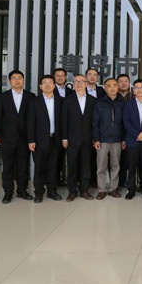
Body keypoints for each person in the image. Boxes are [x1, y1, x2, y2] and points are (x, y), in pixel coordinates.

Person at [0, 70, 35, 203]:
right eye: (14, 78)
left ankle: (22, 190)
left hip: (24, 138)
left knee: (23, 166)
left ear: (23, 80)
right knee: (8, 167)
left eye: (19, 78)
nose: (17, 80)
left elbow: (33, 118)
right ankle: (8, 192)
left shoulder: (31, 96)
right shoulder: (2, 97)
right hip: (6, 137)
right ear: (10, 81)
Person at [27, 74, 63, 203]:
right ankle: (39, 192)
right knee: (39, 167)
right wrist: (31, 140)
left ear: (54, 86)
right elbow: (30, 122)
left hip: (55, 139)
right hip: (39, 140)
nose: (48, 85)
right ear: (40, 86)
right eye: (45, 83)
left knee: (53, 167)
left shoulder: (61, 101)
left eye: (50, 83)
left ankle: (52, 191)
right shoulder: (34, 102)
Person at [61, 74, 96, 202]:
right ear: (73, 84)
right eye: (76, 82)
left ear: (86, 84)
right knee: (72, 166)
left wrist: (95, 138)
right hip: (72, 139)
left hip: (88, 139)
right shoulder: (67, 100)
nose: (79, 84)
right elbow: (64, 120)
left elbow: (95, 121)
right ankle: (72, 191)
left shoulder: (93, 100)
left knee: (86, 166)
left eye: (82, 81)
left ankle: (84, 190)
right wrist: (64, 138)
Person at [92, 78, 125, 200]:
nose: (112, 88)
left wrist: (124, 139)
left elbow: (125, 123)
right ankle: (101, 189)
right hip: (102, 140)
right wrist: (96, 139)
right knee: (101, 166)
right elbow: (95, 122)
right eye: (109, 85)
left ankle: (113, 189)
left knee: (116, 165)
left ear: (118, 87)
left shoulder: (122, 103)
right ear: (105, 88)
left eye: (114, 85)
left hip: (117, 139)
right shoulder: (99, 103)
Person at [124, 79, 142, 200]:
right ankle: (131, 189)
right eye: (137, 87)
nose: (139, 89)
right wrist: (137, 134)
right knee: (131, 167)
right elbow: (126, 122)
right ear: (133, 90)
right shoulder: (128, 104)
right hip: (132, 140)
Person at [53, 68, 73, 188]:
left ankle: (68, 180)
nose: (60, 78)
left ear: (65, 77)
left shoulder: (71, 92)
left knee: (69, 157)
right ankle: (55, 180)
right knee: (56, 157)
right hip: (54, 129)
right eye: (57, 75)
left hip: (69, 129)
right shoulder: (49, 90)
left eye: (62, 75)